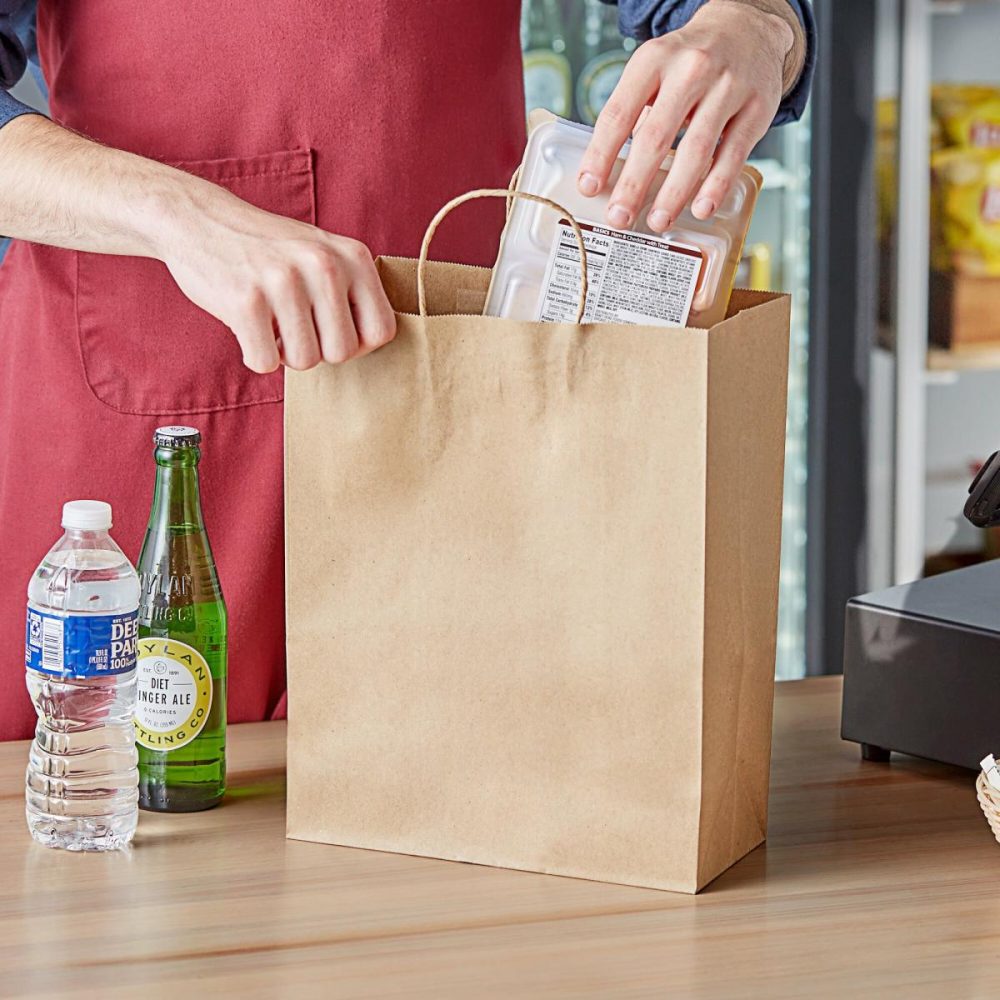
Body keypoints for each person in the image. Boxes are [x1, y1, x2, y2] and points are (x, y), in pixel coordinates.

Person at [0, 1, 814, 740]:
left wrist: (755, 28)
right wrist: (176, 215)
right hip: (150, 412)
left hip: (452, 388)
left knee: (471, 782)